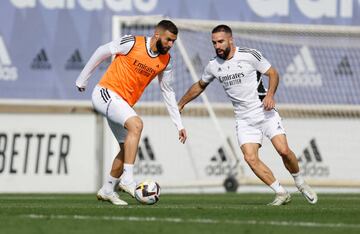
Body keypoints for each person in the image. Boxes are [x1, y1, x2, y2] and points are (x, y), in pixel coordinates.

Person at [178, 25, 317, 206]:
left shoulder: (250, 55)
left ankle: (300, 182)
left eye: (220, 42)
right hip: (244, 118)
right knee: (250, 158)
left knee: (283, 150)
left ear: (230, 40)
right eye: (214, 43)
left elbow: (273, 74)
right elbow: (200, 85)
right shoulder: (213, 65)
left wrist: (270, 95)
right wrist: (181, 103)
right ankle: (281, 193)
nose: (217, 46)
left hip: (264, 111)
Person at [76, 20, 187, 206]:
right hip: (105, 93)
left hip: (122, 103)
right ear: (157, 35)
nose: (170, 45)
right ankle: (127, 180)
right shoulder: (133, 42)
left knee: (126, 148)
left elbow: (168, 91)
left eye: (174, 41)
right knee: (137, 124)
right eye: (168, 40)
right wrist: (82, 79)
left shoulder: (165, 61)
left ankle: (108, 189)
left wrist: (179, 124)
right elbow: (103, 51)